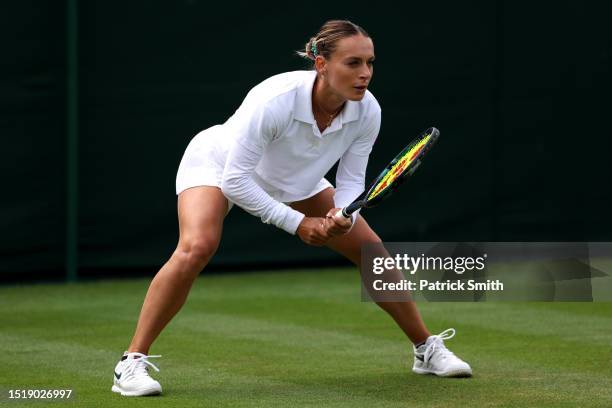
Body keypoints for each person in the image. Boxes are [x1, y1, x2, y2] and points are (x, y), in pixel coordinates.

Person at [111, 20, 472, 397]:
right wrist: (299, 224)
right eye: (353, 63)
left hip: (298, 177)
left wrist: (341, 217)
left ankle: (424, 349)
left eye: (370, 62)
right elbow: (236, 181)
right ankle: (131, 363)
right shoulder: (275, 100)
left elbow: (351, 181)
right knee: (197, 246)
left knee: (372, 252)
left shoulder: (367, 111)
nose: (365, 73)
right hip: (220, 166)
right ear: (321, 65)